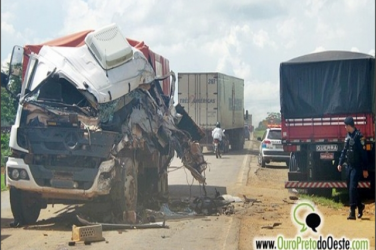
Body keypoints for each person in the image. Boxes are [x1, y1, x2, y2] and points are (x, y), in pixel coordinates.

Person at [337, 116, 369, 220]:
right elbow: (344, 151)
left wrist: (365, 169)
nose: (344, 127)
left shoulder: (359, 137)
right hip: (349, 166)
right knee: (351, 188)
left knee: (352, 188)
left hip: (357, 167)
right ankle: (360, 205)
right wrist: (340, 163)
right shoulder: (347, 136)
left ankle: (352, 212)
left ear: (349, 125)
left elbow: (363, 154)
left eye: (345, 125)